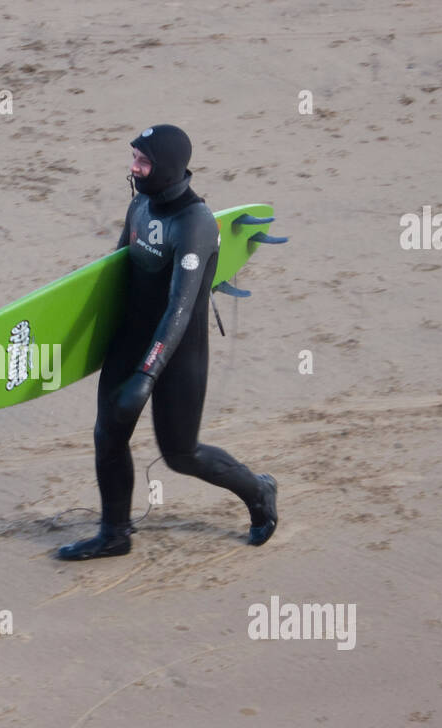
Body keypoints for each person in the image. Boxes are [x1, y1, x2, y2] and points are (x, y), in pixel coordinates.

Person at [56, 124, 278, 561]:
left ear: (169, 168)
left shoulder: (195, 223)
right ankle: (114, 533)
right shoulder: (140, 205)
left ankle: (259, 491)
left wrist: (146, 374)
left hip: (176, 352)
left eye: (143, 161)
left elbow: (180, 307)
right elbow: (117, 271)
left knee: (181, 453)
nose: (134, 168)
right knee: (108, 437)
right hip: (129, 340)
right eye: (133, 158)